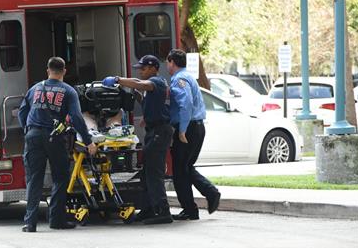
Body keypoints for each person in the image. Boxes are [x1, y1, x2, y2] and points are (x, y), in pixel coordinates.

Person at [18, 57, 98, 233]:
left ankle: (30, 223)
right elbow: (76, 118)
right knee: (60, 178)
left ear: (48, 70)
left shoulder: (35, 88)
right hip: (55, 138)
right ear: (64, 71)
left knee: (34, 179)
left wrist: (28, 131)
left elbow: (22, 112)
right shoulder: (68, 91)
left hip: (33, 136)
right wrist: (88, 141)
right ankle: (56, 219)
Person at [102, 55, 173, 225]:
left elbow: (140, 84)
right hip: (153, 132)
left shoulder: (156, 82)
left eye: (143, 68)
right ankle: (149, 208)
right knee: (146, 172)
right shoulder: (151, 87)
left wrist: (119, 79)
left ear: (153, 68)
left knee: (154, 173)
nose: (140, 71)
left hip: (159, 132)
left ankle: (163, 211)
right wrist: (132, 92)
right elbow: (137, 84)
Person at [165, 49, 220, 220]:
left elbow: (186, 103)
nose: (167, 65)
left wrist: (181, 130)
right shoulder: (187, 77)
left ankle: (191, 207)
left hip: (188, 129)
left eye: (168, 62)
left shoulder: (179, 79)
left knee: (180, 170)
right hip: (196, 127)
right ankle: (208, 196)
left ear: (172, 62)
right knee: (185, 167)